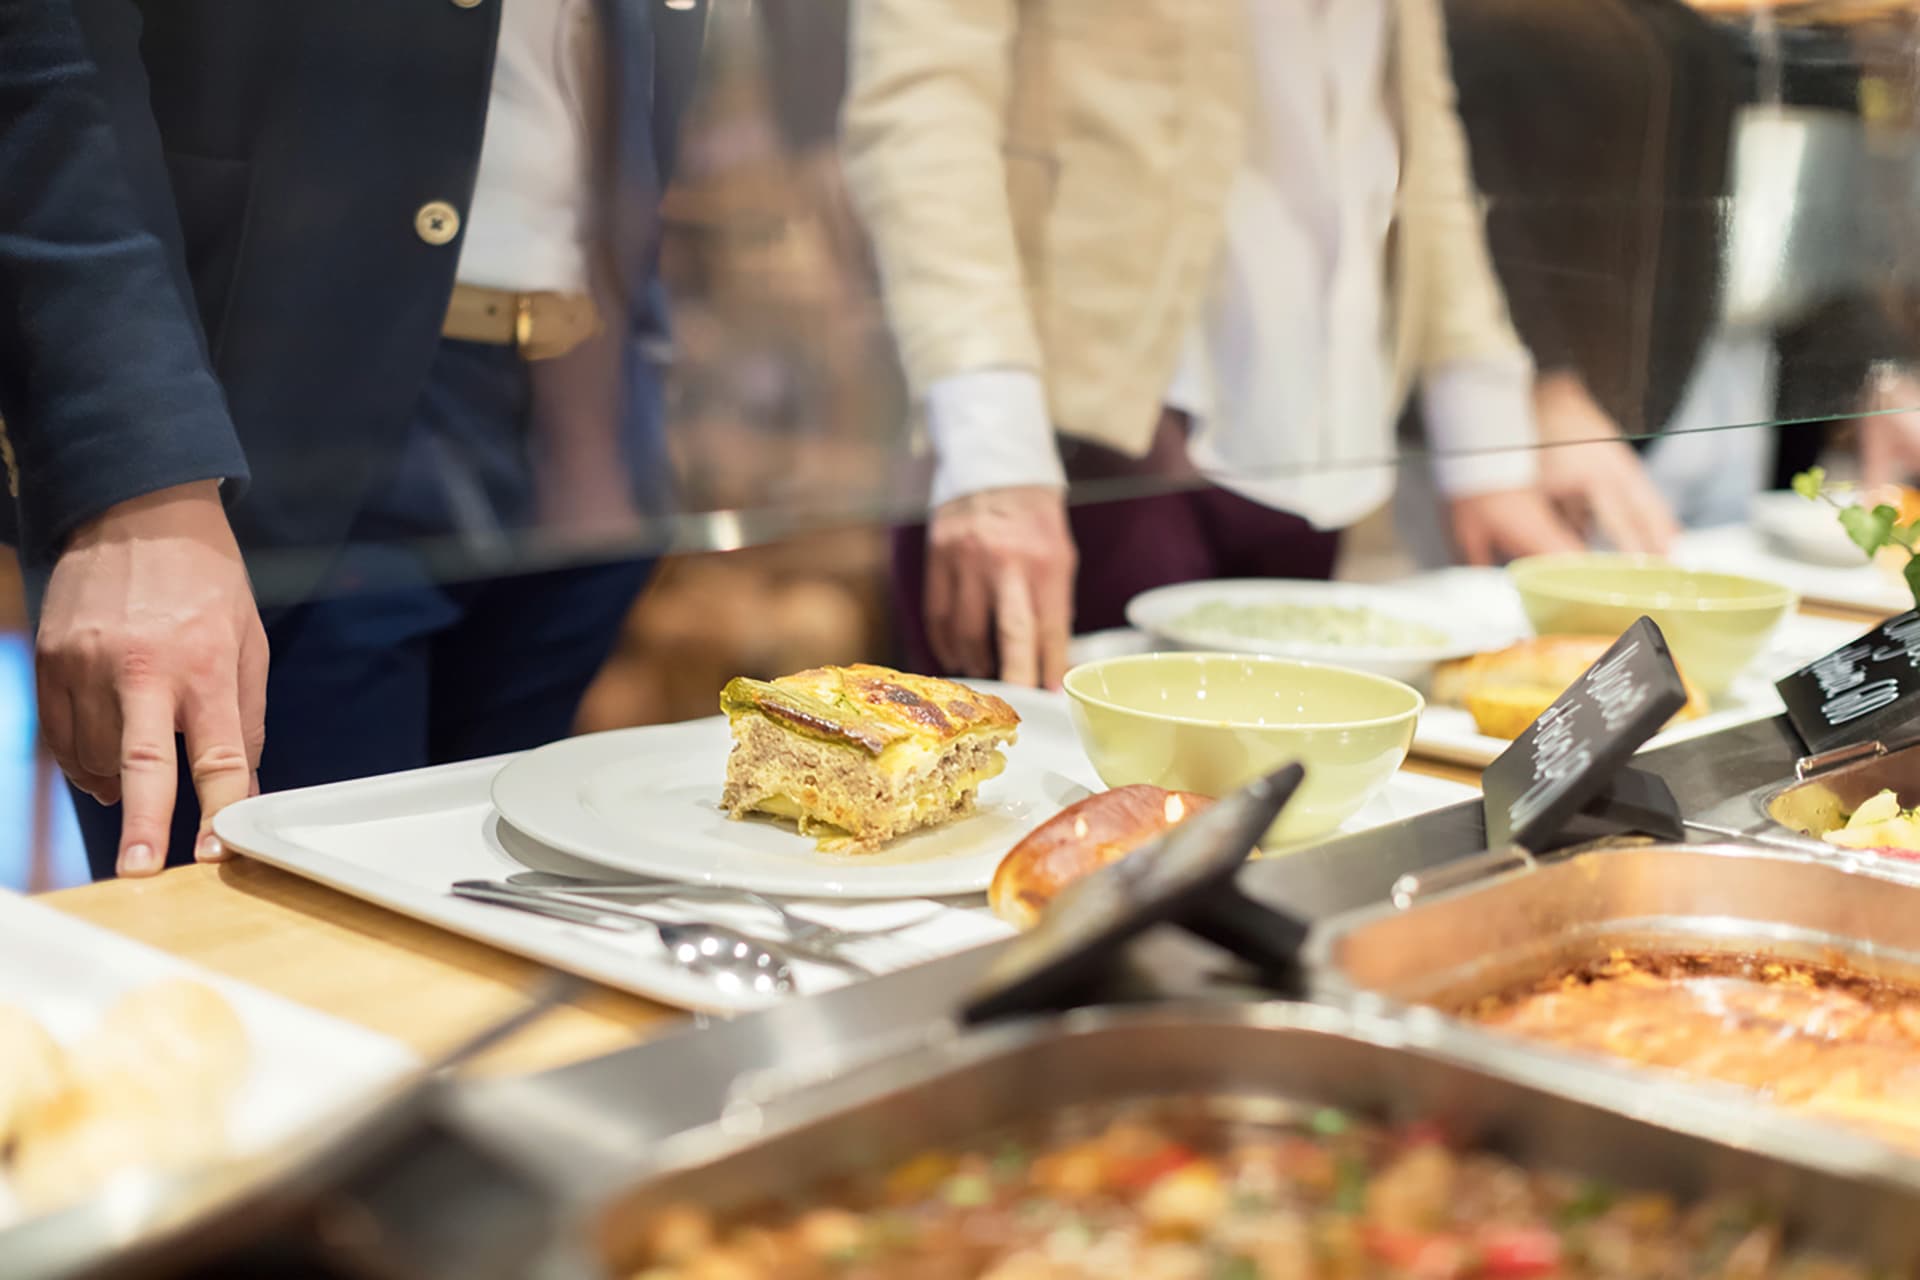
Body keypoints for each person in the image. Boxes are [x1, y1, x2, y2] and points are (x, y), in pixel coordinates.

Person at [0, 0, 706, 879]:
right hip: (253, 416)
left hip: (580, 430)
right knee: (272, 975)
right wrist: (135, 469)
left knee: (498, 949)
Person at [843, 0, 1680, 691]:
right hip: (1075, 443)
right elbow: (923, 105)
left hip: (1307, 443)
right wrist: (994, 456)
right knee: (1049, 832)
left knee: (1267, 834)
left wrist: (1487, 444)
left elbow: (1412, 121)